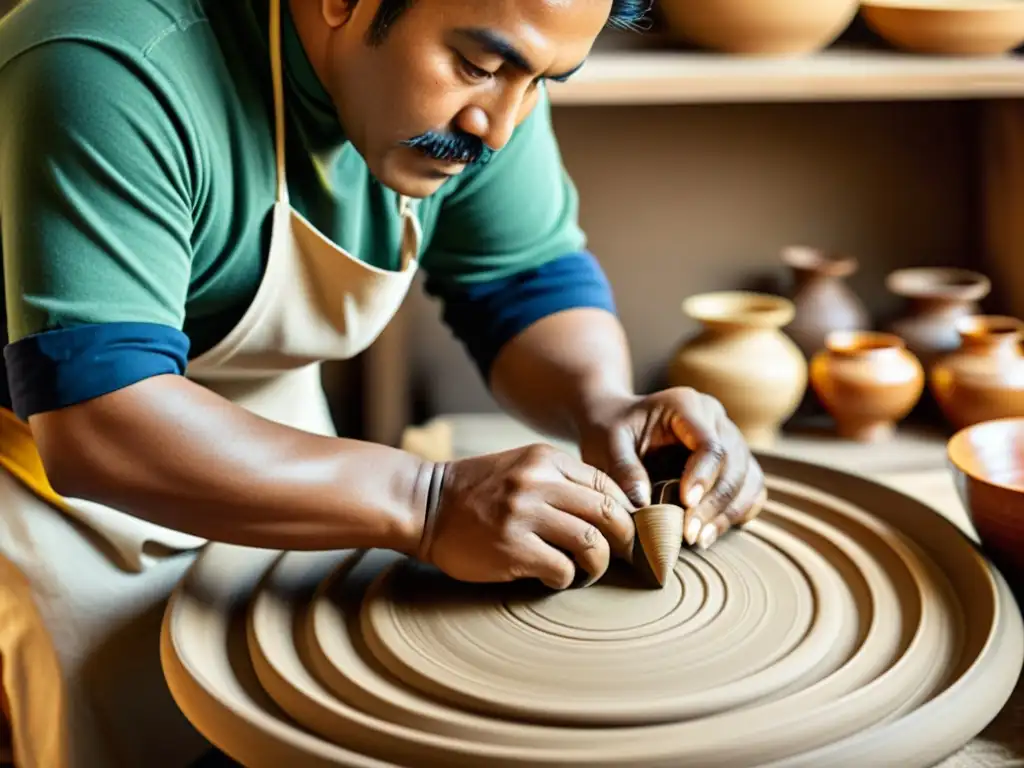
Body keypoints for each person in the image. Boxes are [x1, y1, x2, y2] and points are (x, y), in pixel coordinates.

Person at [0, 0, 767, 764]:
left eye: (542, 81)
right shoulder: (106, 62)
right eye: (480, 67)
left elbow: (521, 279)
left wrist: (604, 404)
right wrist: (424, 502)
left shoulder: (490, 90)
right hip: (59, 496)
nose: (499, 127)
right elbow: (94, 422)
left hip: (293, 450)